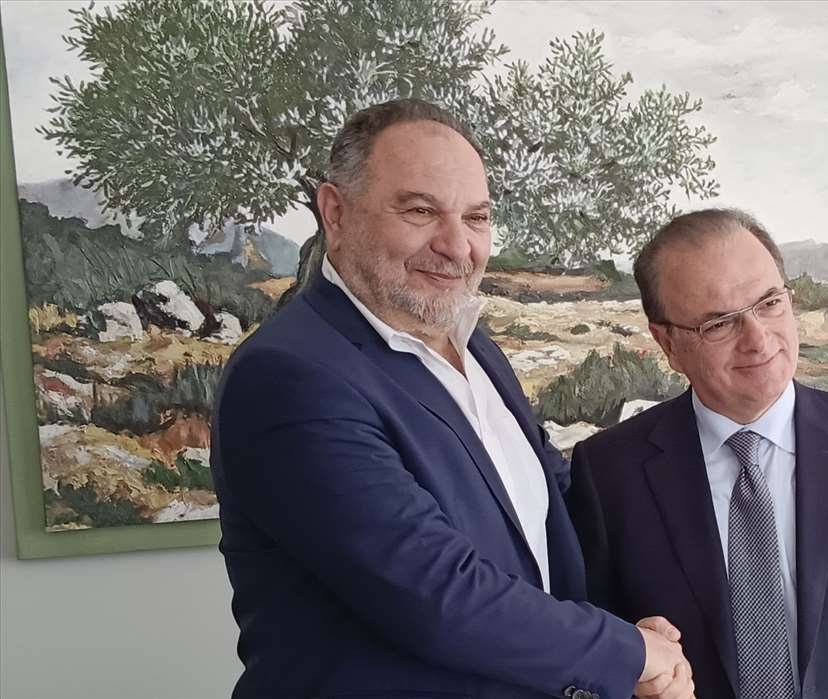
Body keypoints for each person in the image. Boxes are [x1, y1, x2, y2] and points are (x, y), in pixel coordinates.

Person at [211, 98, 694, 699]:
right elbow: (437, 592)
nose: (458, 246)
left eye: (476, 217)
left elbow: (550, 511)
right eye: (420, 211)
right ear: (335, 212)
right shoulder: (289, 376)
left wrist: (636, 627)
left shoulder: (472, 344)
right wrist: (629, 654)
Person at [567, 209, 828, 699]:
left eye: (770, 303)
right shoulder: (609, 473)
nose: (758, 340)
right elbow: (591, 660)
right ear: (667, 342)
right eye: (719, 324)